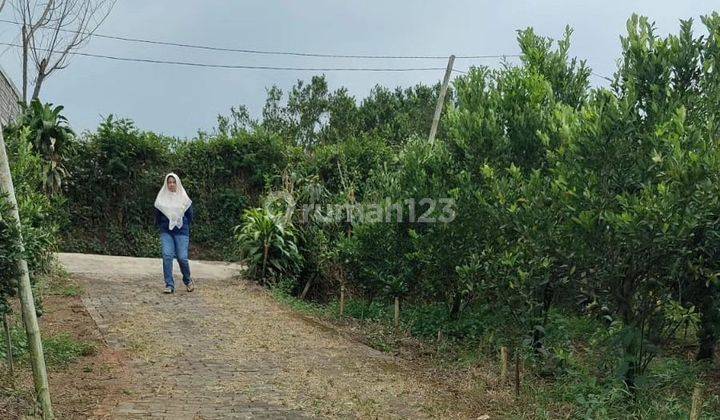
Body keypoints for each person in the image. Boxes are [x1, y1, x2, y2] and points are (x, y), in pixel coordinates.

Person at [154, 173, 195, 294]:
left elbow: (190, 215)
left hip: (182, 231)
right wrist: (161, 225)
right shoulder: (161, 198)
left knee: (182, 258)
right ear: (166, 184)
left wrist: (182, 225)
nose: (171, 184)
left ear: (177, 183)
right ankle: (169, 284)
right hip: (166, 231)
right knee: (167, 255)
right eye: (169, 182)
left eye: (173, 182)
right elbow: (157, 214)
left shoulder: (184, 198)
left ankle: (187, 280)